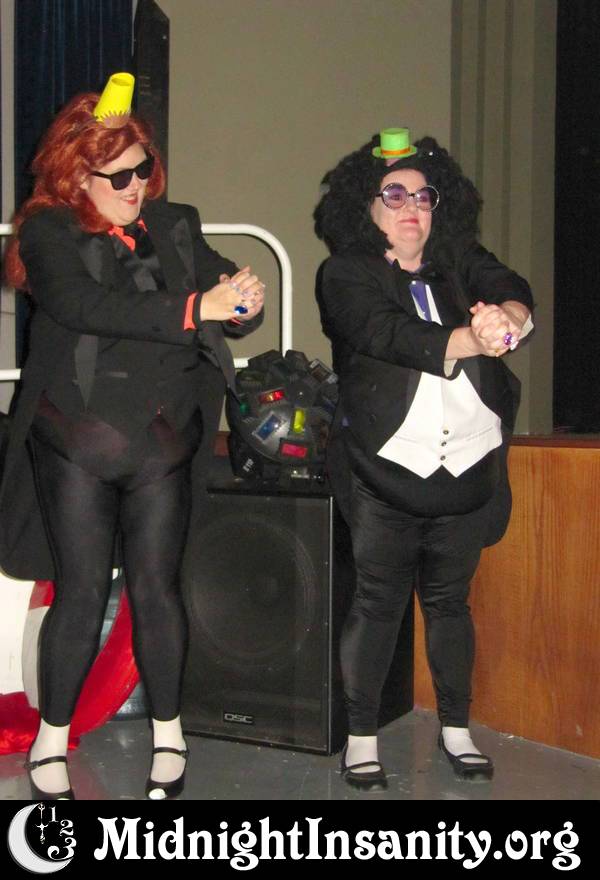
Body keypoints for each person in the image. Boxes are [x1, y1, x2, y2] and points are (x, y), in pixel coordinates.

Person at [1, 73, 264, 800]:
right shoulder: (48, 230)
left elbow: (218, 287)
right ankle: (51, 736)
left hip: (163, 438)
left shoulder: (176, 222)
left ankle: (170, 733)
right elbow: (82, 304)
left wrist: (242, 299)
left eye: (143, 168)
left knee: (157, 587)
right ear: (76, 175)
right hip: (79, 435)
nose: (136, 185)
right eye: (117, 175)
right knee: (81, 590)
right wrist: (195, 307)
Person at [314, 127, 533, 790]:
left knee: (450, 603)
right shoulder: (345, 273)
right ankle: (361, 738)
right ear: (366, 206)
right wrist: (470, 337)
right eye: (394, 193)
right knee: (377, 604)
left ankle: (457, 728)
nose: (412, 205)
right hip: (386, 473)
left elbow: (511, 286)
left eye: (423, 195)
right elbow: (388, 332)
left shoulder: (459, 259)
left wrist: (509, 317)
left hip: (469, 468)